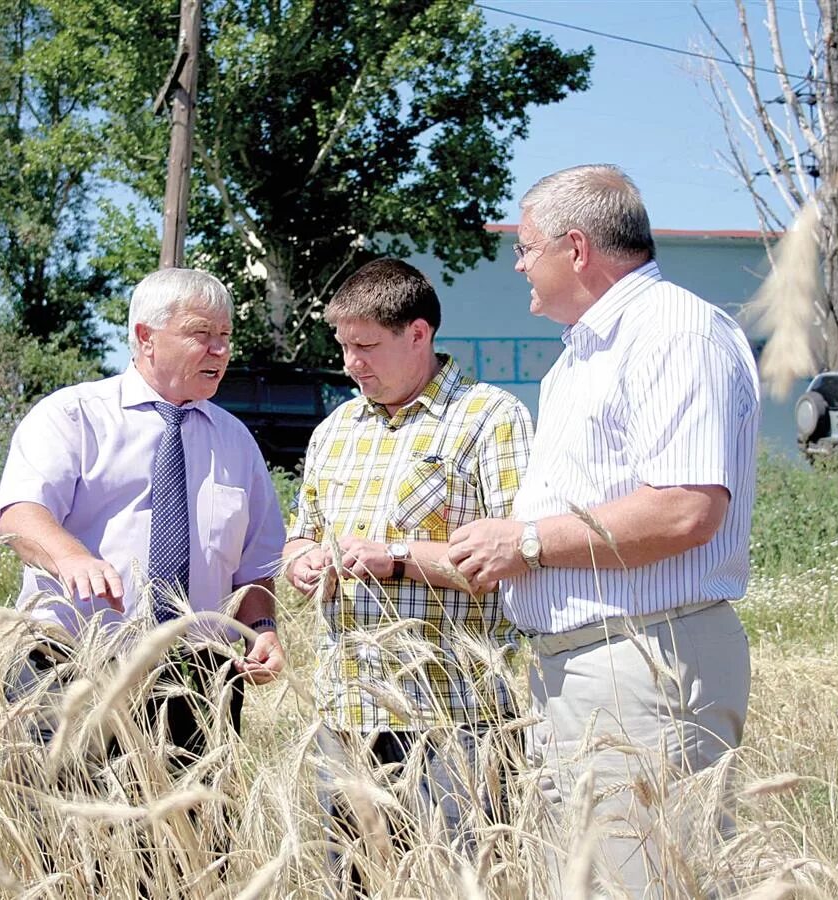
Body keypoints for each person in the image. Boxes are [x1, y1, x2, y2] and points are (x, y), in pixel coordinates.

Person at [447, 165, 759, 896]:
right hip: (587, 667)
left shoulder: (673, 333)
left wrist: (523, 543)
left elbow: (685, 507)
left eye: (525, 248)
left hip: (644, 662)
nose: (518, 264)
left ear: (577, 249)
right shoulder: (582, 356)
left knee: (646, 881)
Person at [282, 258, 533, 884]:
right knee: (354, 883)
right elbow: (300, 535)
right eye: (342, 347)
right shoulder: (335, 429)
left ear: (418, 334)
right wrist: (303, 561)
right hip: (347, 710)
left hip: (456, 715)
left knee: (462, 880)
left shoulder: (490, 419)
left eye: (365, 346)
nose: (350, 364)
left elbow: (516, 558)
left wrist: (394, 560)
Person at [0, 267, 286, 764]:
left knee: (189, 837)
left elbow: (255, 566)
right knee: (65, 833)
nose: (220, 350)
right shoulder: (73, 416)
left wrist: (264, 628)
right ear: (146, 337)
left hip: (198, 678)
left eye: (225, 336)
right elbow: (20, 514)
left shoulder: (236, 440)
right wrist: (70, 557)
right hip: (74, 666)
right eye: (201, 334)